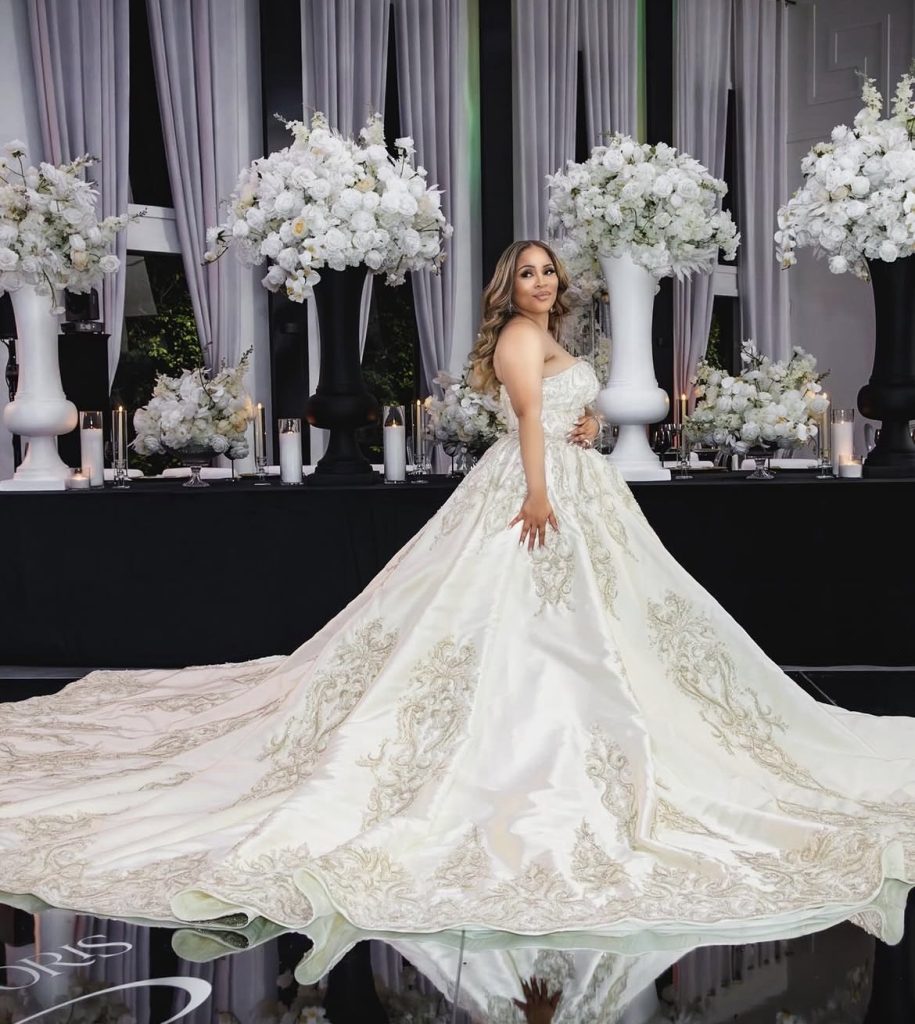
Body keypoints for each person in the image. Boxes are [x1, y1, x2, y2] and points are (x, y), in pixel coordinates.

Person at [2, 241, 915, 992]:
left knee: (621, 625)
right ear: (507, 289)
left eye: (548, 271)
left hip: (578, 484)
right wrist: (539, 490)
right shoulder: (519, 338)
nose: (541, 282)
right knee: (515, 624)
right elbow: (527, 419)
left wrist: (588, 432)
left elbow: (562, 412)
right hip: (535, 491)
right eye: (527, 273)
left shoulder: (549, 335)